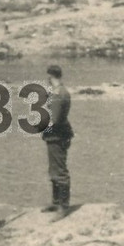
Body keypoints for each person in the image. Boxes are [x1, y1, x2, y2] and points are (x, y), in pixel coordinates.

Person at [39, 64, 74, 216]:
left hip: (57, 136)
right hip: (56, 135)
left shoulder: (59, 94)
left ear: (50, 77)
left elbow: (56, 120)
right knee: (54, 170)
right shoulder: (58, 92)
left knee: (59, 171)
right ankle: (56, 202)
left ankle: (63, 206)